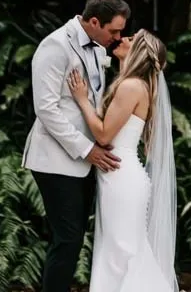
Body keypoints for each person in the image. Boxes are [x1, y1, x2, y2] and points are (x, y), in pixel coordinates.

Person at [22, 0, 130, 292]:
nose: (119, 37)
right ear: (94, 21)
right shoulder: (55, 47)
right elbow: (45, 109)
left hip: (85, 162)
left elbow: (92, 100)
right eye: (114, 31)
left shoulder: (97, 46)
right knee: (67, 239)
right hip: (56, 160)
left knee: (73, 239)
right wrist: (87, 150)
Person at [68, 28, 178, 292]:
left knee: (122, 253)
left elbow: (105, 134)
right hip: (119, 176)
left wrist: (82, 100)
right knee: (119, 252)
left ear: (138, 51)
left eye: (130, 39)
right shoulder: (134, 84)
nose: (123, 39)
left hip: (121, 177)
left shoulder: (131, 87)